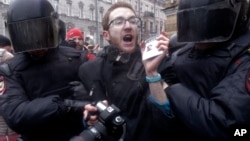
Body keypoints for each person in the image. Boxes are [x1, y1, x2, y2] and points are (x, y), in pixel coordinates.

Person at [149, 0, 250, 141]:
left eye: (203, 23)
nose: (197, 39)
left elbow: (227, 126)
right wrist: (162, 61)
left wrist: (170, 89)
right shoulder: (185, 44)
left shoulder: (244, 59)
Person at [77, 2, 177, 141]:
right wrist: (89, 118)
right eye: (118, 22)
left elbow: (169, 123)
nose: (128, 26)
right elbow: (87, 113)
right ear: (106, 35)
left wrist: (152, 75)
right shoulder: (89, 70)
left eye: (133, 20)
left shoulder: (157, 62)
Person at [0, 0, 97, 141]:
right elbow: (16, 114)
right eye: (26, 34)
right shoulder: (9, 70)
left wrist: (89, 94)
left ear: (51, 28)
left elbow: (102, 99)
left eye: (38, 32)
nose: (35, 41)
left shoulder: (76, 58)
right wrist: (66, 105)